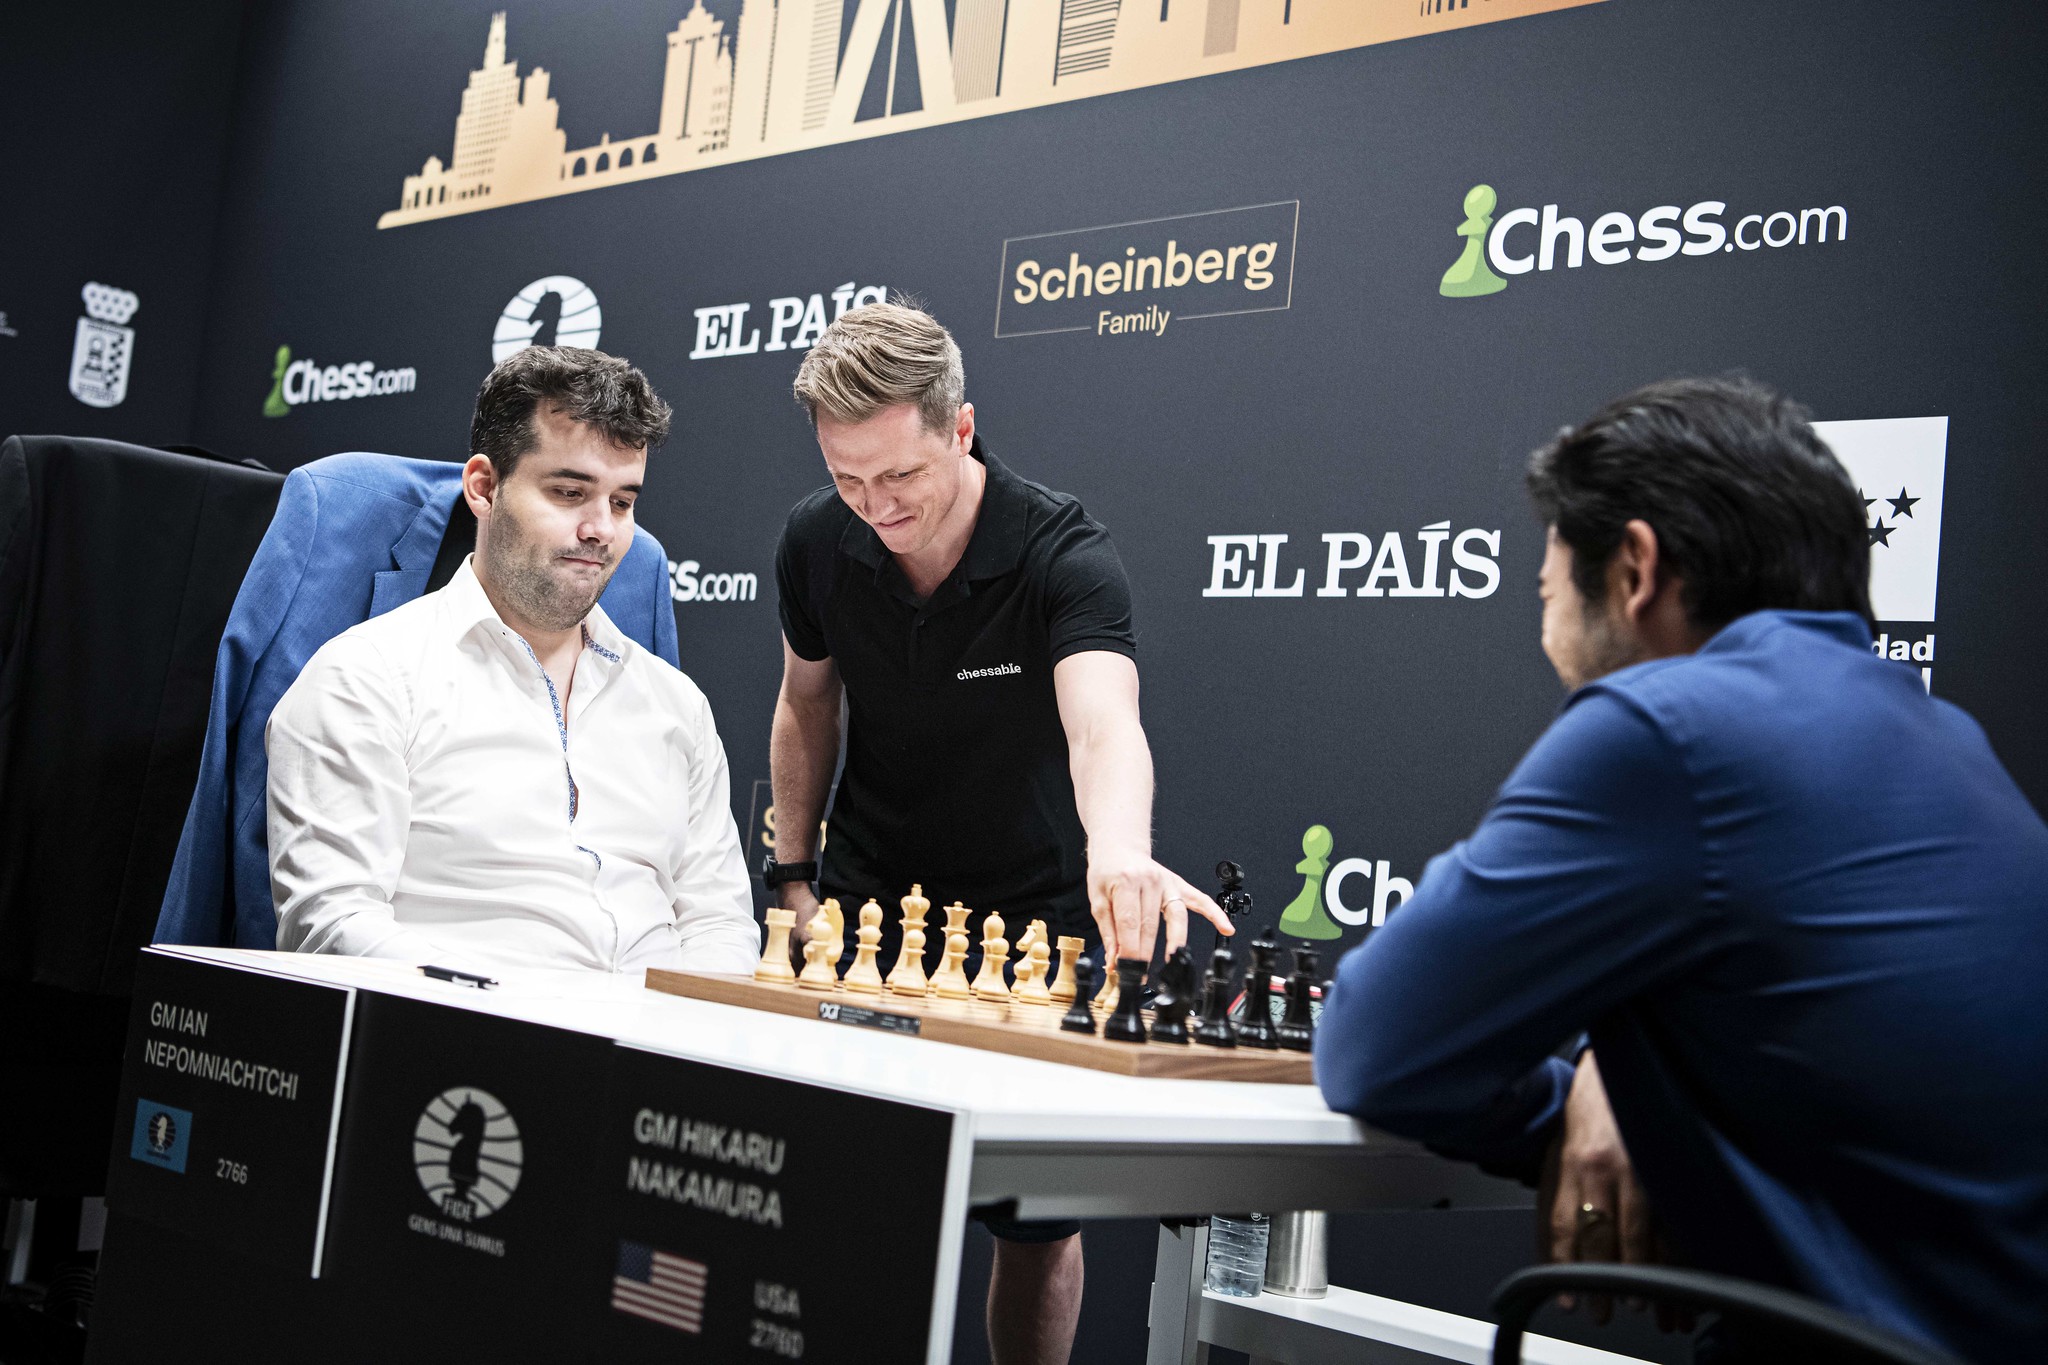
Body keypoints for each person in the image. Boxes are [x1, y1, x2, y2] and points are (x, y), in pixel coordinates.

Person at [1315, 377, 2048, 1362]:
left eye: (1545, 595)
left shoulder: (1669, 727)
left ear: (1633, 568)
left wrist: (1578, 1119)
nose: (1546, 638)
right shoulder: (1945, 734)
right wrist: (1596, 1072)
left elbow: (1378, 1045)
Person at [768, 302, 1231, 1365]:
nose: (875, 507)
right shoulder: (814, 540)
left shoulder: (1060, 549)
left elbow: (1104, 723)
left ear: (960, 428)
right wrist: (791, 875)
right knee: (847, 1193)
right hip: (869, 901)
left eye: (900, 477)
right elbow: (803, 706)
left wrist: (1117, 849)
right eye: (847, 479)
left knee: (1032, 1223)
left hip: (1030, 910)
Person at [268, 346, 759, 975]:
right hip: (463, 1046)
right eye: (569, 492)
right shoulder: (366, 677)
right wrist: (525, 1011)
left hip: (653, 1051)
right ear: (484, 487)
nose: (600, 529)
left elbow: (717, 922)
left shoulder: (677, 705)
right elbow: (332, 923)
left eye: (622, 502)